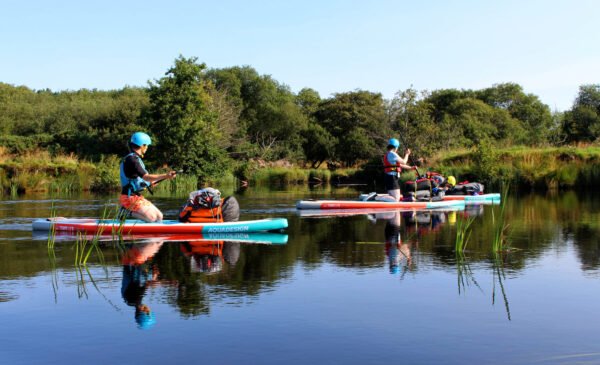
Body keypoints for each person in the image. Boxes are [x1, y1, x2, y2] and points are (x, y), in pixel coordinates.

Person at [119, 132, 177, 222]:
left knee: (159, 216)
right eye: (147, 146)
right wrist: (166, 175)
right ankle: (126, 212)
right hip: (129, 198)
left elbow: (140, 179)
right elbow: (146, 177)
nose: (147, 148)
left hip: (136, 197)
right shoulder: (133, 160)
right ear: (143, 145)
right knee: (152, 218)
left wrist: (150, 183)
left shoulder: (134, 158)